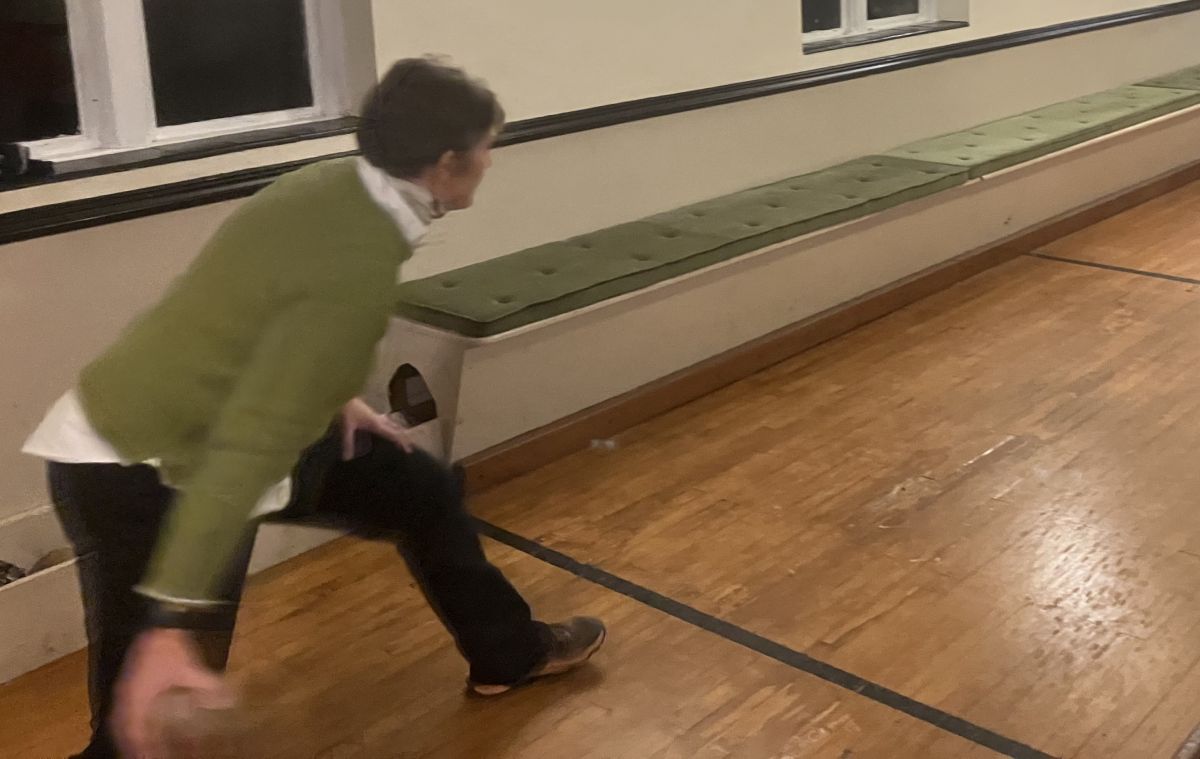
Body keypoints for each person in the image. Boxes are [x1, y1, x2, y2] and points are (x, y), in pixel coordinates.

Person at [22, 57, 606, 759]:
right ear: (448, 163)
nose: (491, 159)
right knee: (145, 723)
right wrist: (172, 617)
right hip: (135, 461)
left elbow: (263, 309)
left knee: (418, 488)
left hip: (212, 430)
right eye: (487, 146)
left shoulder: (338, 186)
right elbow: (246, 452)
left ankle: (509, 652)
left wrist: (334, 393)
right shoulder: (356, 252)